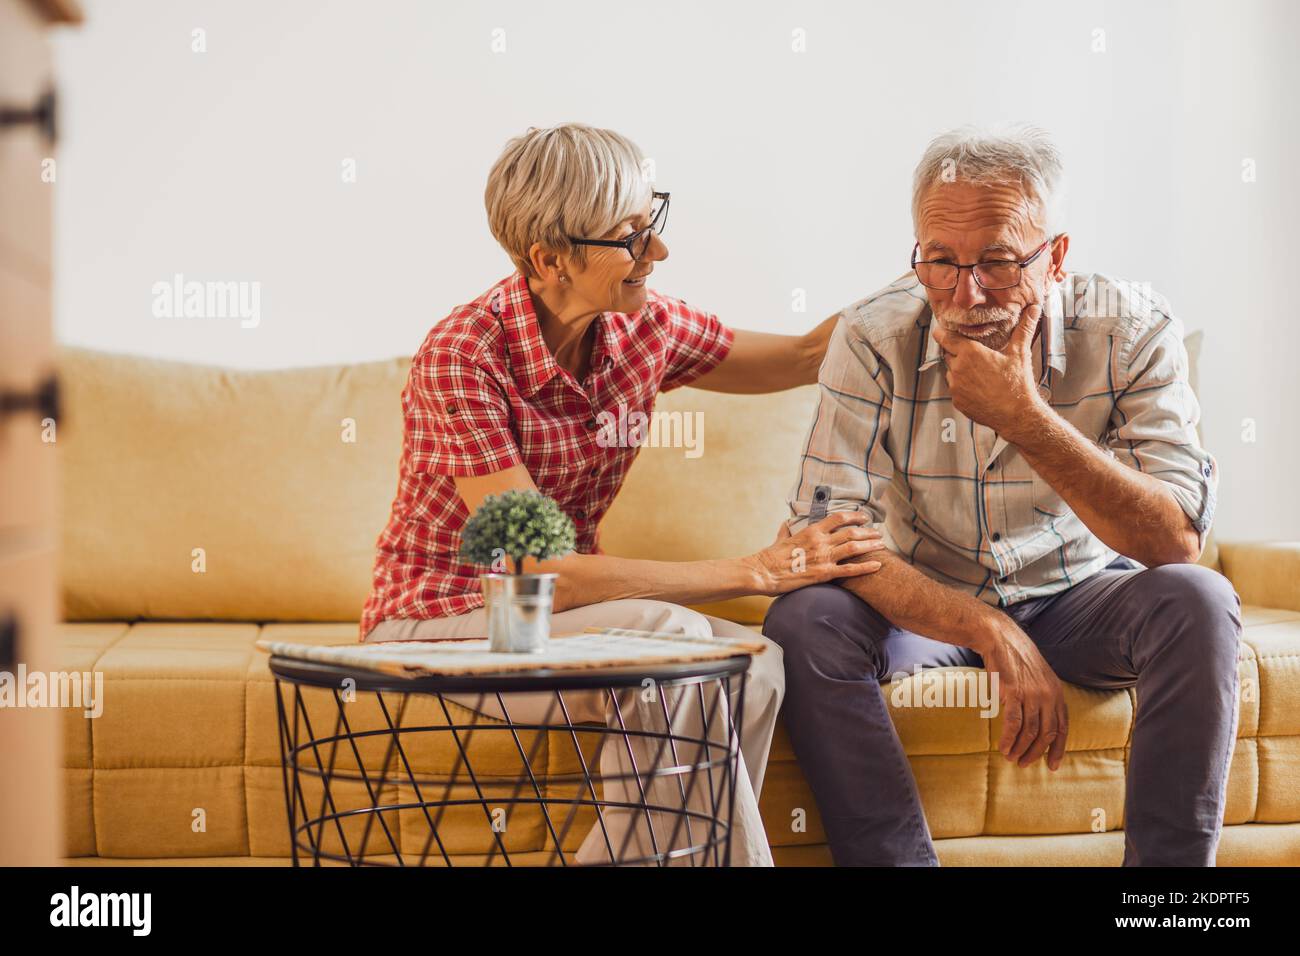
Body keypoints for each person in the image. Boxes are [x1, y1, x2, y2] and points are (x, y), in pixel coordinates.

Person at [359, 123, 888, 865]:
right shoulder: (464, 356)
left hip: (551, 623)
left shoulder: (642, 329)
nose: (658, 253)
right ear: (548, 259)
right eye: (631, 237)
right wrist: (758, 570)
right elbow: (537, 576)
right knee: (670, 646)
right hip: (444, 618)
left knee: (757, 665)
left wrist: (922, 290)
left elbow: (806, 354)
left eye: (653, 225)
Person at [764, 123, 1241, 867]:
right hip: (927, 602)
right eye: (940, 262)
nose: (966, 292)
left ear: (1056, 258)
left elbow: (1175, 539)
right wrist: (991, 630)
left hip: (1078, 595)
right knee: (805, 617)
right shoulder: (869, 335)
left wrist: (1026, 418)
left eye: (996, 260)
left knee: (1199, 600)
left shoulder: (1133, 328)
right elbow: (829, 537)